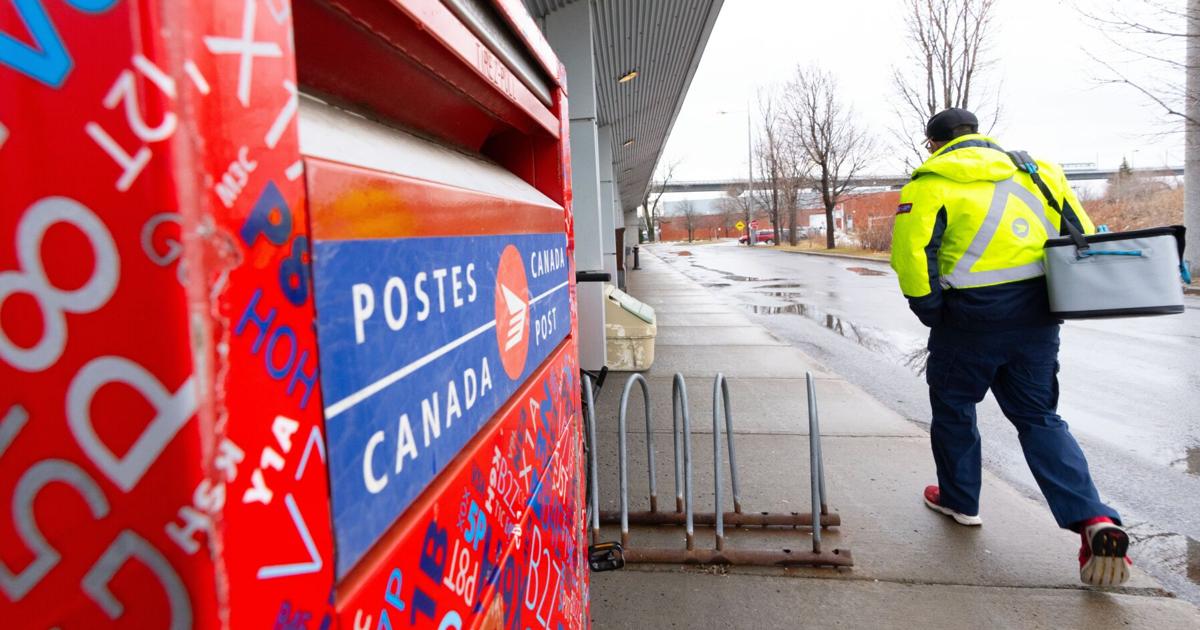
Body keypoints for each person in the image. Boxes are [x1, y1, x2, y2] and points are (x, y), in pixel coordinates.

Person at [890, 108, 1132, 587]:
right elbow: (1079, 234)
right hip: (1037, 318)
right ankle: (1092, 518)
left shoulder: (930, 182)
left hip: (968, 321)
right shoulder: (1040, 172)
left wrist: (932, 311)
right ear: (979, 134)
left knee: (955, 408)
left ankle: (960, 501)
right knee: (1039, 418)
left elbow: (911, 256)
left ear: (934, 143)